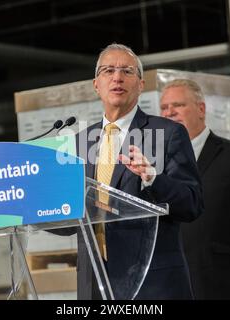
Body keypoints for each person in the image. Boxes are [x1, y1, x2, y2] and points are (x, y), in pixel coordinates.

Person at [72, 44, 204, 300]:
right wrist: (35, 206)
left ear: (141, 85)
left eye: (126, 71)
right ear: (96, 84)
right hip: (95, 285)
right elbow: (69, 221)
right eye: (108, 70)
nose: (117, 77)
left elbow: (193, 203)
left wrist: (153, 178)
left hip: (152, 283)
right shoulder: (79, 142)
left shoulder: (168, 134)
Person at [159, 79, 230, 300]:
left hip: (222, 281)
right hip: (170, 283)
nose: (169, 112)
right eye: (164, 107)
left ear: (201, 109)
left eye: (178, 105)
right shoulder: (155, 166)